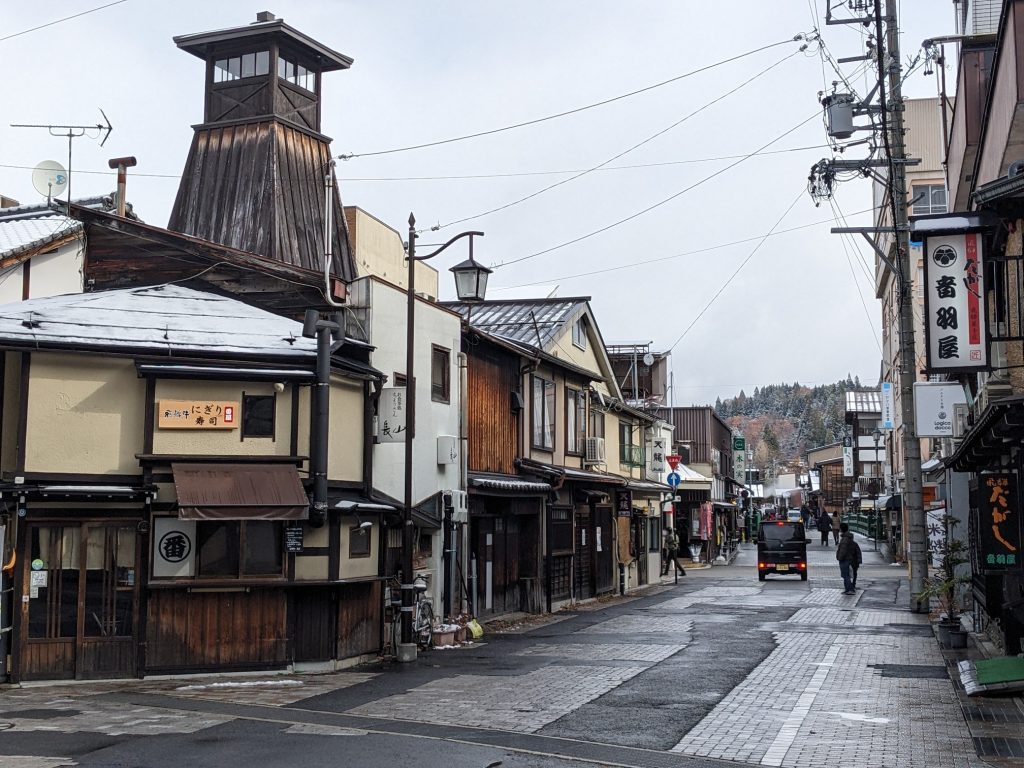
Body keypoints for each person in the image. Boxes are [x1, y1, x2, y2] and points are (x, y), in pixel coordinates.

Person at [836, 522, 862, 594]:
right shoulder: (849, 539)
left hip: (845, 559)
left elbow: (843, 550)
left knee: (845, 575)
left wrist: (839, 557)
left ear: (841, 529)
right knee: (847, 575)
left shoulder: (845, 539)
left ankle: (850, 589)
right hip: (850, 559)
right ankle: (848, 589)